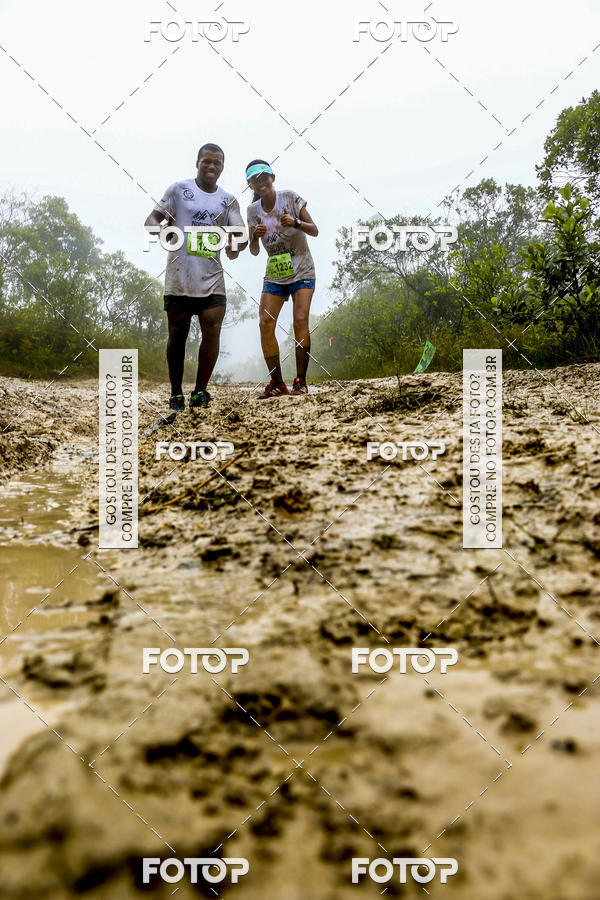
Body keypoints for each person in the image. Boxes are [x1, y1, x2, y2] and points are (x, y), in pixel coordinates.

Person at [144, 143, 246, 411]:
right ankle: (176, 393)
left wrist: (235, 246)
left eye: (218, 163)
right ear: (197, 162)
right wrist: (163, 232)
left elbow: (239, 237)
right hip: (179, 277)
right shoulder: (178, 190)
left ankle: (200, 391)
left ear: (223, 167)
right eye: (207, 161)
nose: (212, 167)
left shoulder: (228, 200)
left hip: (212, 278)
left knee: (212, 330)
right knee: (177, 333)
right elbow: (151, 221)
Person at [246, 160, 318, 398]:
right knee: (265, 323)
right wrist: (255, 237)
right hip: (276, 274)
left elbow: (314, 229)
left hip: (301, 270)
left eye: (265, 176)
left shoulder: (290, 197)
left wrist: (295, 222)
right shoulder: (252, 212)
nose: (261, 182)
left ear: (272, 178)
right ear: (251, 186)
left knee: (300, 320)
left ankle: (300, 381)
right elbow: (254, 250)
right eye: (256, 180)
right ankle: (277, 382)